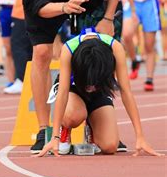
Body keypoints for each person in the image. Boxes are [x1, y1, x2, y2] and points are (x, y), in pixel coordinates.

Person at [22, 0, 128, 153]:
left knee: (103, 50)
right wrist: (62, 7)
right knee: (42, 53)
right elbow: (33, 2)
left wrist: (109, 19)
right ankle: (43, 129)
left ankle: (97, 118)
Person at [37, 28, 162, 157]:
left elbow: (126, 91)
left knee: (110, 146)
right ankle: (65, 129)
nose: (90, 86)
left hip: (100, 90)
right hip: (73, 89)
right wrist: (55, 137)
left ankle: (91, 127)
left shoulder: (116, 48)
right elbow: (62, 92)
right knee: (73, 116)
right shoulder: (68, 49)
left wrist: (140, 136)